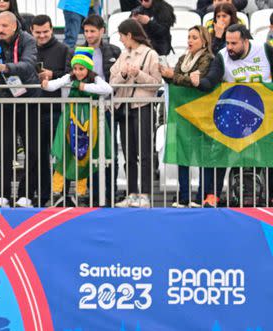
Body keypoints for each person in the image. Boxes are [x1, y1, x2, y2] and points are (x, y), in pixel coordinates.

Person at [194, 24, 273, 206]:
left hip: (265, 116)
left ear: (246, 41)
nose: (229, 47)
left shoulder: (265, 51)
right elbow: (212, 80)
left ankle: (270, 195)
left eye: (234, 43)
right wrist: (199, 82)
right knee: (220, 151)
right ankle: (213, 195)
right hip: (235, 117)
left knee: (270, 153)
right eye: (227, 42)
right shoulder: (222, 56)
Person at [0, 11, 42, 207]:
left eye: (4, 26)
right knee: (3, 151)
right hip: (4, 102)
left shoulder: (28, 40)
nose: (0, 30)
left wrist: (4, 68)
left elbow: (29, 65)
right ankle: (2, 195)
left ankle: (26, 194)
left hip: (29, 101)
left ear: (14, 26)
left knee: (32, 150)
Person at [43, 46, 113, 206]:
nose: (78, 72)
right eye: (75, 68)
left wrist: (84, 87)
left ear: (88, 68)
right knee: (66, 151)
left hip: (91, 124)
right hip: (71, 122)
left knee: (86, 154)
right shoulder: (70, 77)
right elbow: (54, 85)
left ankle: (81, 192)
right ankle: (56, 189)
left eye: (81, 69)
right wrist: (46, 84)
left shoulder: (95, 79)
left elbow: (108, 89)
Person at [110, 19, 162, 208]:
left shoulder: (150, 54)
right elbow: (112, 81)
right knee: (129, 154)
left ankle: (146, 194)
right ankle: (132, 193)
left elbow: (157, 83)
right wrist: (124, 75)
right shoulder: (123, 55)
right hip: (124, 106)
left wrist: (137, 74)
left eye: (122, 36)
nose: (121, 40)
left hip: (143, 105)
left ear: (129, 35)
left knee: (145, 153)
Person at [159, 26, 213, 207]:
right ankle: (184, 196)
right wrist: (165, 74)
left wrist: (173, 76)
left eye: (194, 37)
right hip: (183, 113)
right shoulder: (183, 58)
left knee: (202, 155)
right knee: (182, 155)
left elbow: (195, 81)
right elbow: (178, 79)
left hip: (201, 114)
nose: (189, 40)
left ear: (204, 41)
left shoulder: (209, 59)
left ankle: (201, 197)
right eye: (189, 37)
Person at [82, 14, 121, 206]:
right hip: (86, 108)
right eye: (86, 31)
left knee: (109, 151)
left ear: (102, 31)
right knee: (90, 152)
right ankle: (93, 193)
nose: (89, 35)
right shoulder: (78, 52)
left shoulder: (114, 50)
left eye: (92, 31)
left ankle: (110, 193)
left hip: (108, 108)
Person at [32, 15, 72, 203]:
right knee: (37, 156)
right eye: (38, 32)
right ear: (32, 31)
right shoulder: (29, 50)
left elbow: (73, 75)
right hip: (34, 109)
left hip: (58, 110)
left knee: (61, 155)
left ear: (52, 30)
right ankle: (43, 194)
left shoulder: (64, 49)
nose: (42, 35)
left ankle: (61, 194)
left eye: (45, 32)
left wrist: (52, 75)